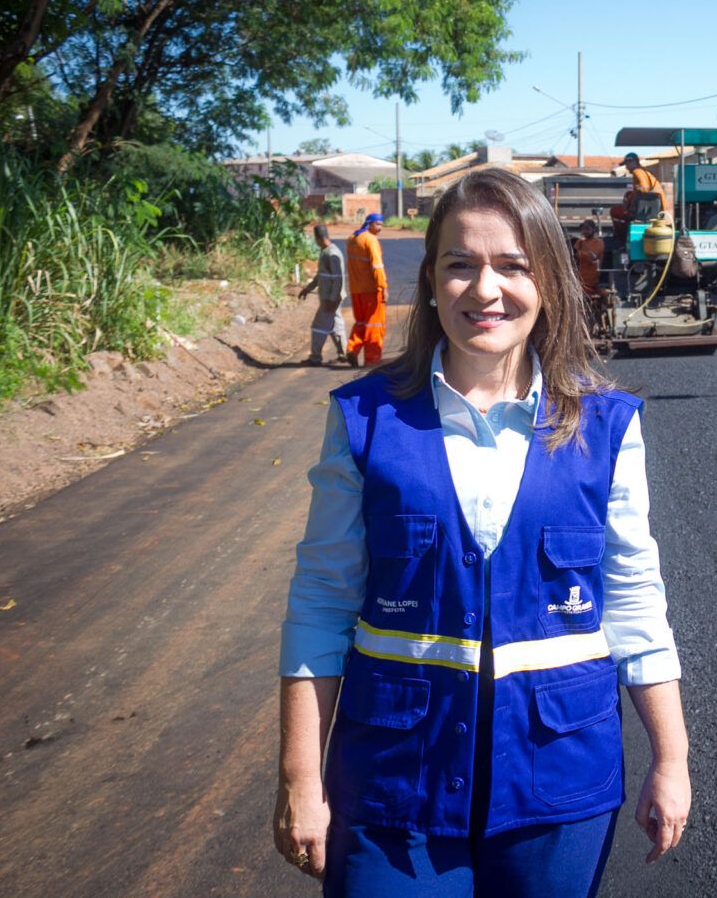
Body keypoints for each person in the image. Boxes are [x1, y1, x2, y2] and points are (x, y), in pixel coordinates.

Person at [274, 168, 690, 897]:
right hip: (392, 790)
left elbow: (634, 600)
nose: (485, 289)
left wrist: (672, 758)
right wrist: (301, 778)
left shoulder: (608, 425)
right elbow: (321, 604)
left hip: (558, 790)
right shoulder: (364, 419)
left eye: (513, 266)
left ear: (550, 283)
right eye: (460, 264)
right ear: (431, 280)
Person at [299, 223, 348, 365]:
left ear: (318, 238)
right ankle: (344, 354)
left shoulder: (331, 253)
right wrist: (308, 288)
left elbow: (338, 279)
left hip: (331, 299)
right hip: (331, 298)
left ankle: (315, 358)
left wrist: (332, 300)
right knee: (335, 325)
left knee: (318, 326)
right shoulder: (326, 251)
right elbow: (321, 276)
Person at [346, 212, 387, 367]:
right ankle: (372, 359)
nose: (380, 228)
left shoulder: (351, 239)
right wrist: (382, 287)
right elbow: (377, 266)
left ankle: (352, 348)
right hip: (371, 291)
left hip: (356, 291)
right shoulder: (370, 240)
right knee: (374, 325)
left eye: (381, 224)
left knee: (361, 322)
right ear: (369, 224)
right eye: (378, 224)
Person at [571, 218, 605, 299]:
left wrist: (579, 253)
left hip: (591, 279)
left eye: (587, 229)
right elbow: (572, 254)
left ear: (593, 230)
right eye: (583, 229)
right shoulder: (580, 242)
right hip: (580, 279)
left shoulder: (598, 243)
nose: (585, 231)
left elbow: (592, 257)